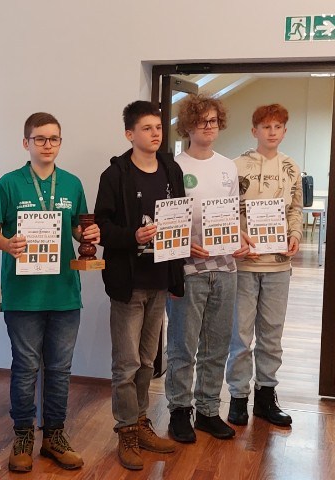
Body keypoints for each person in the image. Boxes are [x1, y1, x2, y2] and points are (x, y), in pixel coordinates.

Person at [0, 112, 99, 473]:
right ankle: (22, 436)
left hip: (64, 291)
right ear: (26, 143)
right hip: (23, 293)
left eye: (54, 139)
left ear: (60, 142)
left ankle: (54, 436)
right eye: (40, 139)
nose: (48, 145)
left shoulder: (72, 183)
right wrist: (7, 244)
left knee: (60, 369)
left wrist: (89, 234)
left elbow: (79, 228)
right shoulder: (9, 183)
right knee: (25, 368)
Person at [94, 100, 183, 471]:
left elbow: (179, 220)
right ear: (130, 134)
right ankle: (126, 430)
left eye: (158, 127)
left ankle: (141, 421)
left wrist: (177, 271)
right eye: (147, 128)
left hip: (159, 280)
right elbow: (100, 229)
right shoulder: (114, 175)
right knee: (126, 364)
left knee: (148, 360)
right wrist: (133, 236)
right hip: (128, 284)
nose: (155, 133)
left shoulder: (171, 169)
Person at [165, 93, 250, 444]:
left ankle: (209, 410)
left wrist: (241, 237)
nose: (208, 127)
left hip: (226, 268)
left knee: (217, 345)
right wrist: (183, 244)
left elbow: (231, 213)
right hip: (188, 270)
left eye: (213, 121)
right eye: (201, 121)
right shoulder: (173, 167)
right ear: (188, 126)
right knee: (183, 347)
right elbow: (166, 220)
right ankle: (179, 411)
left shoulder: (228, 166)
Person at [225, 104, 302, 427]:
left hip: (278, 265)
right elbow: (226, 211)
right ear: (254, 130)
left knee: (272, 334)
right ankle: (238, 397)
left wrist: (295, 234)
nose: (272, 132)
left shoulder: (291, 167)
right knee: (240, 336)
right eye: (266, 126)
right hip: (245, 265)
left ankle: (266, 397)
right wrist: (237, 235)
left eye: (278, 126)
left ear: (284, 131)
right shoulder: (235, 166)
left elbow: (295, 209)